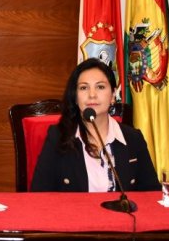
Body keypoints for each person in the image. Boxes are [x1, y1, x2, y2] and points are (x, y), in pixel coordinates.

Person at [30, 58, 160, 192]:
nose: (92, 95)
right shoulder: (58, 137)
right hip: (73, 213)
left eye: (100, 87)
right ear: (75, 97)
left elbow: (151, 195)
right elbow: (39, 194)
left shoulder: (133, 138)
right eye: (84, 88)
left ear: (113, 95)